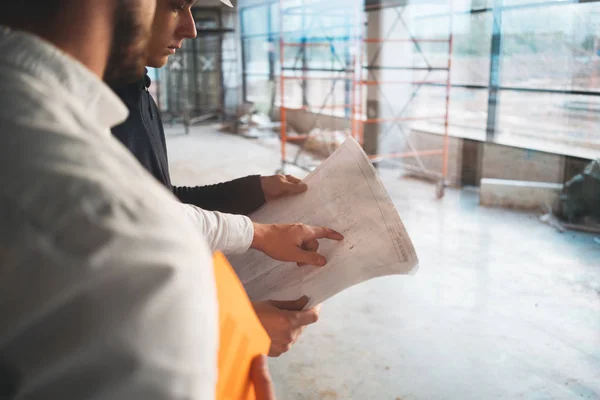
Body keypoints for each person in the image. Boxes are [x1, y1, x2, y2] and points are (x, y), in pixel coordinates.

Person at [0, 1, 274, 398]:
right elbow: (144, 214)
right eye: (176, 4)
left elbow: (157, 198)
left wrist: (254, 200)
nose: (192, 30)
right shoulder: (142, 255)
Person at [110, 0, 333, 357]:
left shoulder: (139, 98)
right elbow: (114, 272)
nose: (191, 29)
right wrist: (232, 320)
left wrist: (254, 188)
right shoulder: (94, 116)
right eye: (175, 6)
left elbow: (165, 201)